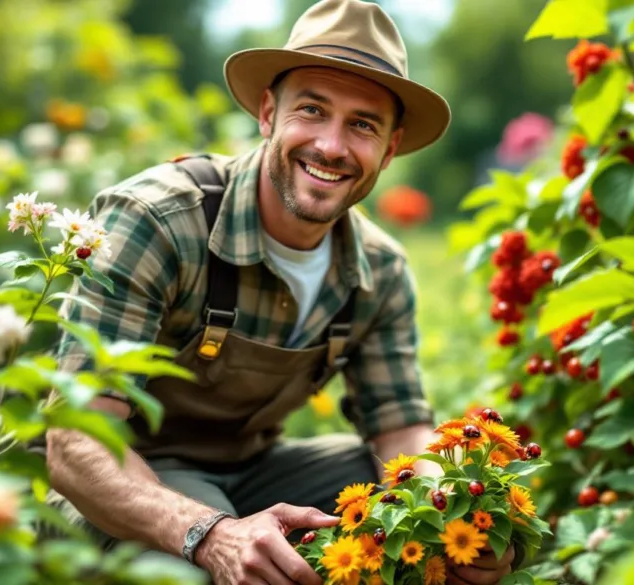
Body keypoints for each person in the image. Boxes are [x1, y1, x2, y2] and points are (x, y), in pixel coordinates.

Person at [43, 0, 518, 583]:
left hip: (250, 471)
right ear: (268, 113)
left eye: (363, 125)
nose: (332, 146)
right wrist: (213, 533)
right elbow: (76, 443)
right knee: (187, 570)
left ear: (389, 149)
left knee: (406, 507)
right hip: (115, 481)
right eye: (312, 110)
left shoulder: (379, 270)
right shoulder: (159, 220)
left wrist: (456, 512)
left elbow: (400, 430)